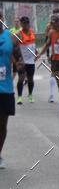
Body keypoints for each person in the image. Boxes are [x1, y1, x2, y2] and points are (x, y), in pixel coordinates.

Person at [0, 14, 22, 168]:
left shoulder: (12, 37)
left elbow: (18, 57)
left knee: (2, 124)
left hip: (5, 87)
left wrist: (20, 68)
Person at [15, 16, 37, 104]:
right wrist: (17, 59)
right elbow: (15, 47)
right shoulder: (18, 34)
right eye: (24, 23)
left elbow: (33, 45)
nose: (26, 25)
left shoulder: (32, 32)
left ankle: (30, 95)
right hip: (22, 61)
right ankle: (19, 97)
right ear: (21, 24)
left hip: (31, 60)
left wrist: (36, 53)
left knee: (30, 79)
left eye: (27, 23)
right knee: (21, 79)